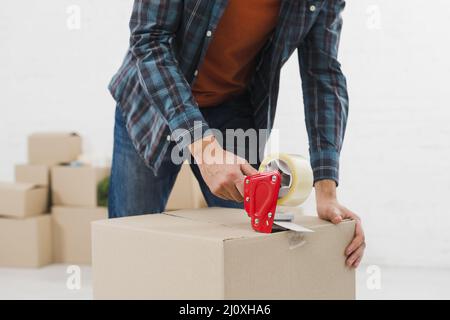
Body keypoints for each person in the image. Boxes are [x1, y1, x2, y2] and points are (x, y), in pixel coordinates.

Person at [108, 0, 365, 268]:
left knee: (246, 250)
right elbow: (148, 40)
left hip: (230, 107)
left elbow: (322, 75)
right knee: (128, 241)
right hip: (152, 102)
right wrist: (205, 149)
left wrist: (327, 192)